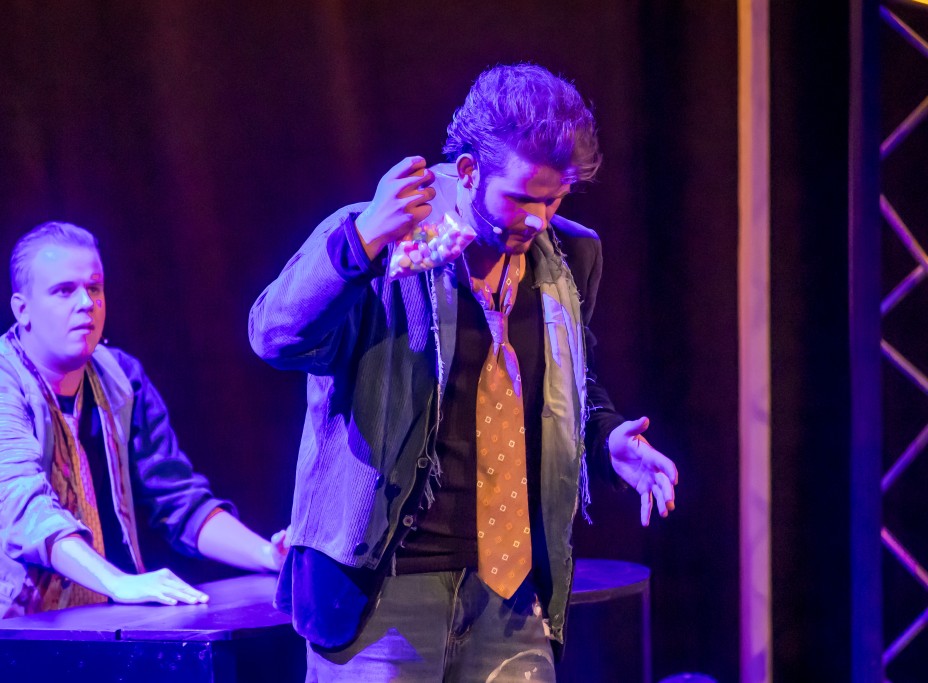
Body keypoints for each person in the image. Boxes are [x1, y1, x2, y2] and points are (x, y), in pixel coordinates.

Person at [249, 63, 679, 682]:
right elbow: (275, 337)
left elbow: (569, 385)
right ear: (471, 171)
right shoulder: (387, 237)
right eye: (522, 198)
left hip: (510, 592)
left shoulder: (571, 256)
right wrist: (360, 243)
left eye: (554, 198)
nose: (538, 219)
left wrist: (607, 438)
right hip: (385, 592)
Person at [0, 222, 288, 672]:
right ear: (22, 309)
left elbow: (178, 500)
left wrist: (268, 557)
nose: (86, 303)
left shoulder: (120, 376)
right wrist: (118, 582)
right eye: (64, 291)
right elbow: (24, 509)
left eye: (94, 288)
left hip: (69, 640)